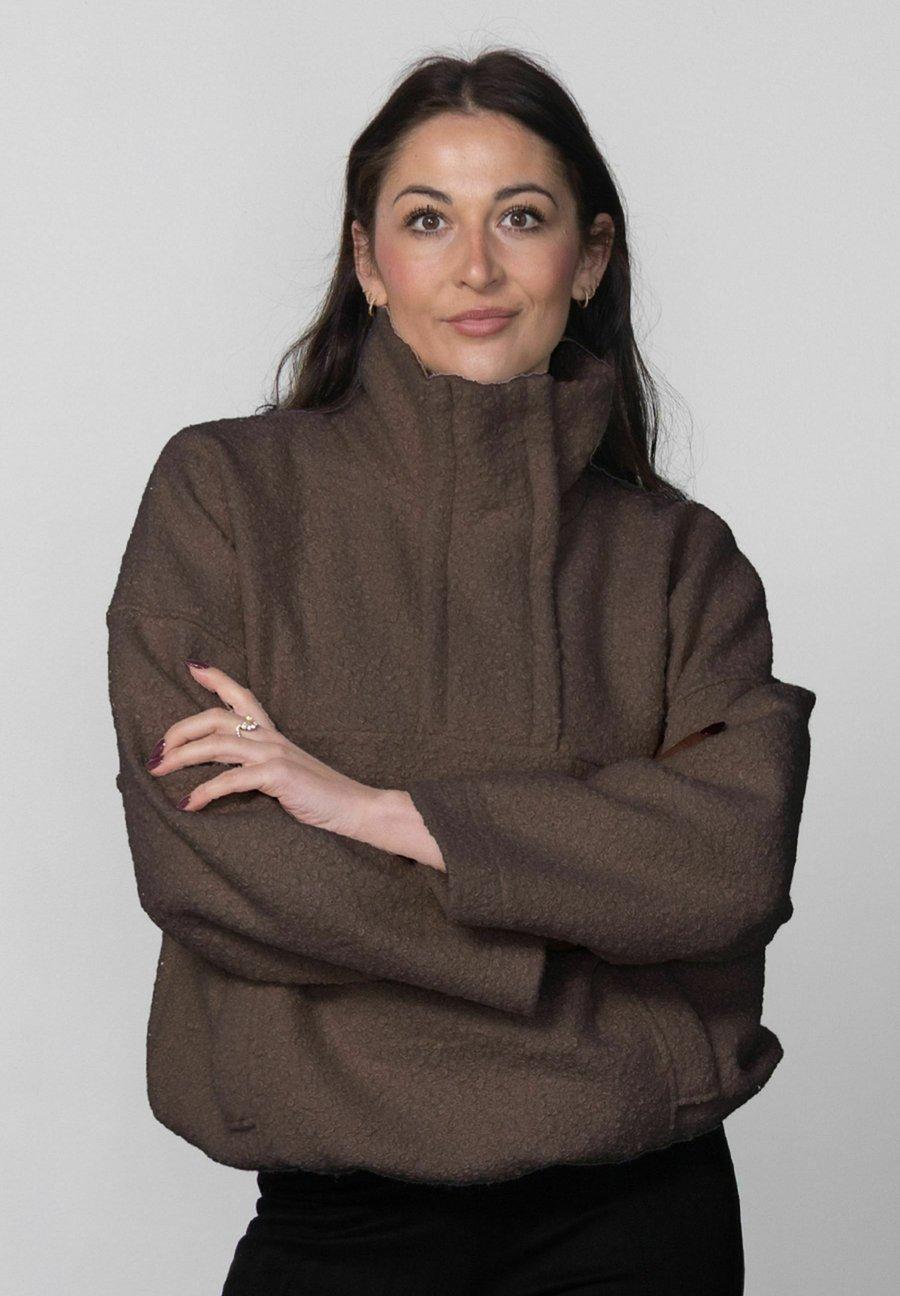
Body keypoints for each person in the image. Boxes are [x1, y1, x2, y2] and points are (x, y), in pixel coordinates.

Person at [105, 47, 816, 1296]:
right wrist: (573, 921)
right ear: (369, 263)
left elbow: (732, 862)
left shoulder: (680, 559)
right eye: (428, 220)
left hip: (640, 1217)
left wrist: (382, 811)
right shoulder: (224, 497)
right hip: (344, 1223)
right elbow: (211, 862)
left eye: (521, 218)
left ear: (587, 259)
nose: (476, 267)